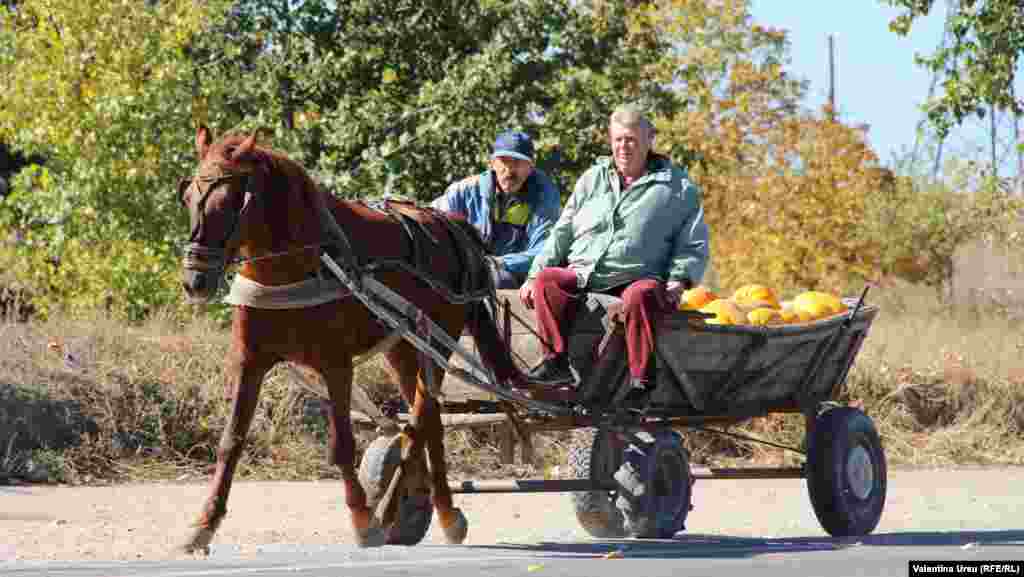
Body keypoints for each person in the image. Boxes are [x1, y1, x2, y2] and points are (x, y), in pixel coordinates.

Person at [520, 104, 710, 392]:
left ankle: (641, 380)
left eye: (632, 139)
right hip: (586, 272)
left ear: (650, 139)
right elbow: (563, 230)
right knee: (549, 281)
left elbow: (693, 241)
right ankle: (556, 363)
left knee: (640, 295)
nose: (624, 147)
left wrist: (679, 279)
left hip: (639, 275)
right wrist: (534, 275)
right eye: (618, 139)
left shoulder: (677, 187)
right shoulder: (592, 179)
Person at [432, 130, 561, 289]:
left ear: (531, 166)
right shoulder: (465, 190)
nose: (510, 169)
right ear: (492, 163)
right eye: (504, 160)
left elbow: (544, 250)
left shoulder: (544, 195)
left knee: (498, 281)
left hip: (515, 277)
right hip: (466, 268)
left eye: (518, 162)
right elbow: (432, 224)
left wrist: (498, 263)